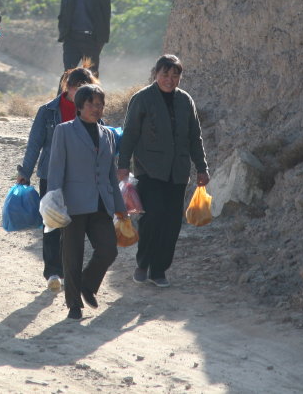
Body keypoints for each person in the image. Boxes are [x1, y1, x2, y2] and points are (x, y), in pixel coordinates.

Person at [117, 54, 210, 288]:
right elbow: (130, 134)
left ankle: (159, 270)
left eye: (175, 74)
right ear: (155, 74)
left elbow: (194, 137)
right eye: (165, 74)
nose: (170, 79)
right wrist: (123, 165)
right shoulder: (142, 99)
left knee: (171, 222)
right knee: (152, 216)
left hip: (177, 172)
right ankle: (143, 262)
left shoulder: (185, 101)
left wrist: (202, 167)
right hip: (149, 170)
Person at [47, 84, 126, 320]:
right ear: (79, 106)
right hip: (72, 204)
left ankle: (87, 285)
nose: (96, 108)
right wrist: (54, 201)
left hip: (101, 203)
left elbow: (111, 174)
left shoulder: (108, 135)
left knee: (108, 249)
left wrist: (121, 208)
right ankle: (74, 305)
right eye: (91, 104)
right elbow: (56, 169)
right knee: (73, 255)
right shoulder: (64, 131)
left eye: (100, 104)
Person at [16, 66, 98, 293]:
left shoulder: (93, 109)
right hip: (51, 177)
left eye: (87, 88)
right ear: (67, 87)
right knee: (51, 224)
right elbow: (35, 143)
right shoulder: (48, 111)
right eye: (78, 88)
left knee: (74, 227)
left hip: (80, 178)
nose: (82, 93)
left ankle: (68, 270)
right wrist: (25, 172)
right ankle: (53, 271)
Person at [57, 0, 112, 75]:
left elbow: (105, 18)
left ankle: (93, 93)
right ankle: (63, 94)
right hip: (71, 38)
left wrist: (100, 40)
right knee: (68, 73)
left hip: (91, 39)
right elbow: (62, 15)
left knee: (91, 73)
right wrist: (64, 35)